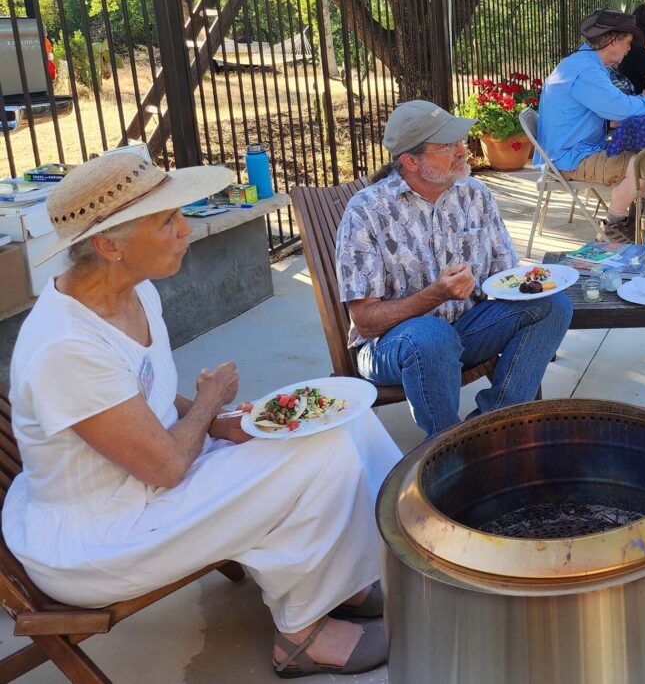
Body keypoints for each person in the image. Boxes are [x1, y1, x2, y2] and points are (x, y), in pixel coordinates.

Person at [1, 153, 403, 678]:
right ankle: (302, 635)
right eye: (166, 220)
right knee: (320, 454)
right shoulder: (67, 348)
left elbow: (153, 397)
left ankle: (346, 576)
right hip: (103, 535)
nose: (185, 229)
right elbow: (166, 467)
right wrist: (212, 402)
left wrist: (220, 422)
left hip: (147, 478)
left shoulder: (135, 291)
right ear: (109, 245)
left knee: (339, 415)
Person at [338, 99, 573, 437]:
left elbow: (505, 274)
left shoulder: (474, 194)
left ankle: (492, 430)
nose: (463, 150)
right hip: (392, 346)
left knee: (552, 304)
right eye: (447, 146)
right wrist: (434, 294)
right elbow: (366, 320)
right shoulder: (367, 212)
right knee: (432, 336)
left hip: (465, 328)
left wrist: (533, 280)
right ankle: (448, 448)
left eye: (460, 140)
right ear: (411, 161)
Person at [533, 9, 645, 241]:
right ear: (613, 40)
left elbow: (613, 112)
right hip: (570, 157)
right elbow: (619, 109)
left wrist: (641, 103)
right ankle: (612, 227)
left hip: (571, 150)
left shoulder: (583, 63)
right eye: (627, 42)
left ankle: (633, 224)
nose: (628, 49)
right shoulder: (586, 70)